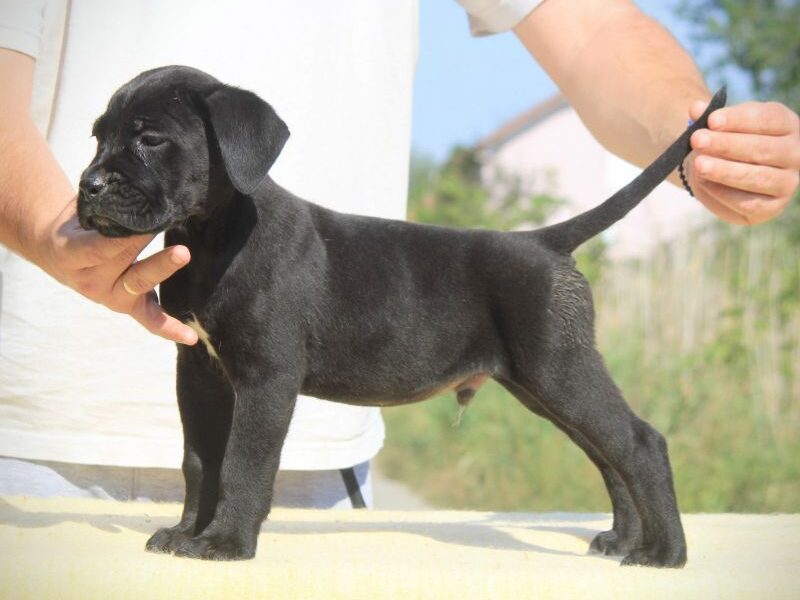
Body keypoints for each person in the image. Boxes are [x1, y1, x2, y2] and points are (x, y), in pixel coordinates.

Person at [0, 0, 798, 505]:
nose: (102, 164)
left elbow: (590, 26)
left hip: (321, 465)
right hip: (35, 446)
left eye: (139, 142)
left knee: (579, 400)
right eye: (108, 142)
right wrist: (47, 224)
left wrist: (702, 140)